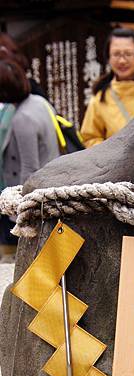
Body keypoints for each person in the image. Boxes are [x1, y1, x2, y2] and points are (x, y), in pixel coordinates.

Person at [0, 57, 60, 259]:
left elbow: (29, 168)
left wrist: (20, 213)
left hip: (35, 199)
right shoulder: (39, 102)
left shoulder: (22, 118)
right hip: (53, 183)